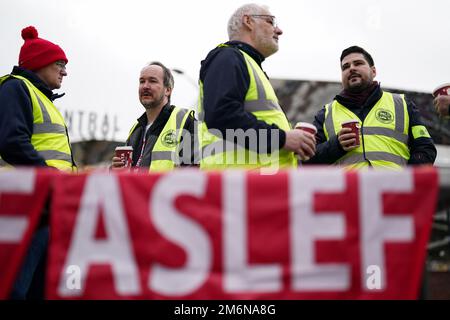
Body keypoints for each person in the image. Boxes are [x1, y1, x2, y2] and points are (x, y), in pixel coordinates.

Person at [0, 26, 76, 299]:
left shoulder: (40, 97)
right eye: (59, 64)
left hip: (44, 208)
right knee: (15, 289)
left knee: (38, 290)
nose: (64, 72)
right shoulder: (16, 88)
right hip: (26, 208)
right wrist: (52, 178)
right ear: (38, 64)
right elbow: (11, 142)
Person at [198, 3, 315, 171]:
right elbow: (221, 115)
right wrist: (282, 139)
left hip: (254, 182)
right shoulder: (228, 57)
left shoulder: (247, 63)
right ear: (248, 21)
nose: (279, 30)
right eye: (271, 21)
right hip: (243, 184)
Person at [306, 45, 436, 169]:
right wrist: (336, 145)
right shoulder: (326, 114)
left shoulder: (403, 104)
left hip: (393, 190)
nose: (351, 68)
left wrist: (406, 180)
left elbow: (425, 148)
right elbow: (306, 160)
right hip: (349, 191)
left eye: (358, 63)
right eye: (345, 67)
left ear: (373, 71)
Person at [111, 61, 196, 171]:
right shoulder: (136, 129)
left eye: (152, 81)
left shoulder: (185, 121)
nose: (145, 86)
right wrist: (114, 169)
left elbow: (194, 174)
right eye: (142, 81)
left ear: (168, 90)